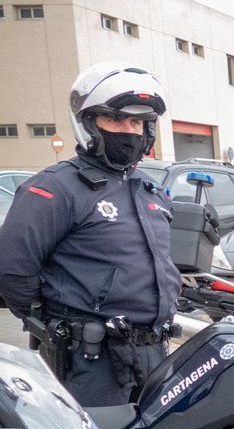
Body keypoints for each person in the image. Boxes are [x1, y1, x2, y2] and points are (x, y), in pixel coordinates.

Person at [0, 62, 181, 407]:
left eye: (137, 122)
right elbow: (12, 270)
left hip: (154, 355)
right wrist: (56, 323)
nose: (129, 131)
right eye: (116, 120)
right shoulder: (55, 188)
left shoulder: (150, 191)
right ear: (88, 124)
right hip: (89, 361)